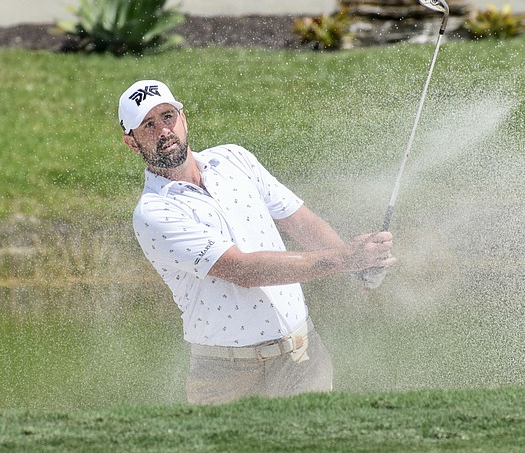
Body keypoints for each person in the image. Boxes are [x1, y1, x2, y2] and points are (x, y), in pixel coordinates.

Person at [118, 79, 395, 405]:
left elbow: (299, 220)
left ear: (183, 118)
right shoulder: (154, 212)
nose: (163, 130)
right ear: (132, 143)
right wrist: (345, 260)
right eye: (148, 125)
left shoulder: (234, 159)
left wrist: (356, 265)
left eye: (167, 116)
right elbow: (243, 270)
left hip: (302, 355)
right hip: (226, 374)